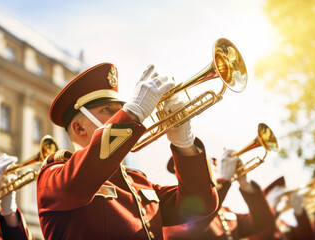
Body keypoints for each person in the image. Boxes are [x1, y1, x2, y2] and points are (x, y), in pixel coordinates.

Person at [36, 62, 219, 239]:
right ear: (79, 129)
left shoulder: (137, 181)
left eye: (121, 110)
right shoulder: (54, 175)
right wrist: (133, 112)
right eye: (108, 110)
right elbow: (81, 178)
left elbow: (201, 204)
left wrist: (184, 143)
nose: (119, 116)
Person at [164, 150, 275, 240]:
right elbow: (188, 232)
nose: (214, 166)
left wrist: (245, 183)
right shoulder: (175, 206)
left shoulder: (224, 212)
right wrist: (224, 180)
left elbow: (262, 221)